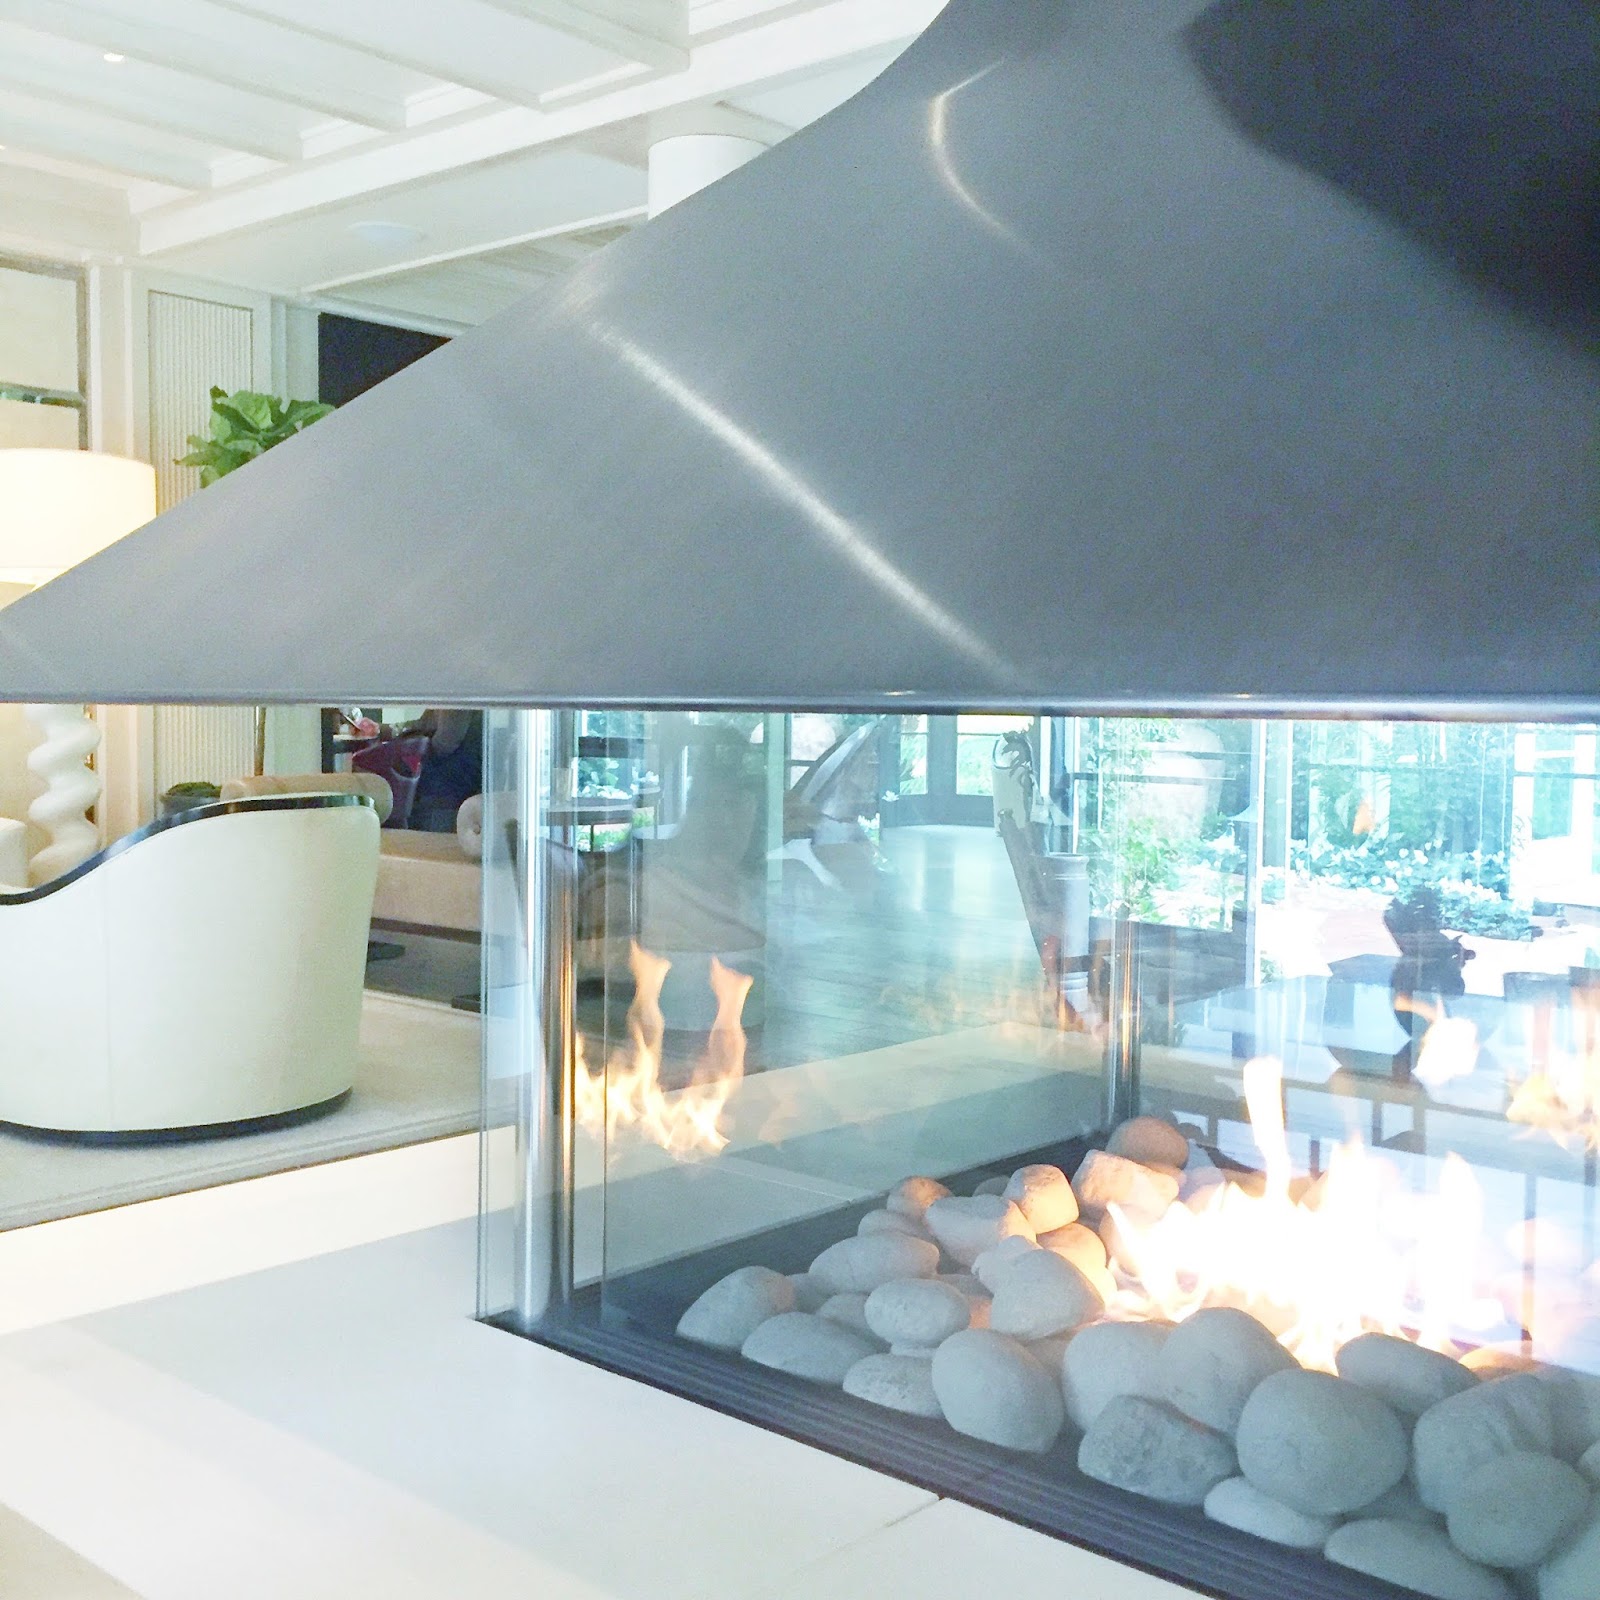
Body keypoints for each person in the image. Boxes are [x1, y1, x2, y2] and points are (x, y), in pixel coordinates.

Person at [385, 709, 483, 833]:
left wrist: (410, 753)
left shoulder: (453, 701)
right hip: (450, 791)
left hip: (446, 794)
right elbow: (423, 723)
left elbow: (445, 743)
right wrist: (381, 730)